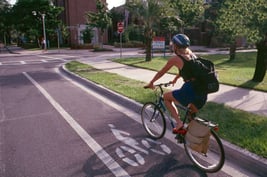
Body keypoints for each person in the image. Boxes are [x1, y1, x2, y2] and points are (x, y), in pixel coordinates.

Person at [145, 34, 207, 134]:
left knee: (166, 97)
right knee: (191, 115)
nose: (171, 45)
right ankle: (191, 139)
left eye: (172, 44)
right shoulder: (191, 55)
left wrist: (151, 83)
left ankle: (178, 123)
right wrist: (175, 79)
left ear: (176, 46)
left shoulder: (175, 59)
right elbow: (189, 71)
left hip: (190, 90)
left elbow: (161, 72)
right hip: (202, 91)